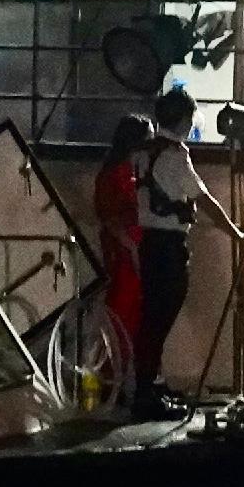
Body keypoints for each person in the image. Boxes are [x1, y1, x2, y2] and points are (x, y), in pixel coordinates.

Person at [131, 88, 236, 410]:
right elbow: (203, 200)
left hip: (148, 241)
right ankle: (146, 392)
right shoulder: (176, 155)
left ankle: (151, 386)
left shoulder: (143, 151)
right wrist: (235, 233)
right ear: (181, 119)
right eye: (190, 118)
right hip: (168, 246)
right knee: (159, 320)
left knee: (151, 319)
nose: (192, 124)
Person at [91, 112, 150, 382]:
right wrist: (133, 249)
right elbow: (112, 219)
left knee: (133, 314)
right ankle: (110, 374)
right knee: (122, 312)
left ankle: (122, 374)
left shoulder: (128, 172)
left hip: (130, 248)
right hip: (124, 252)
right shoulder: (118, 175)